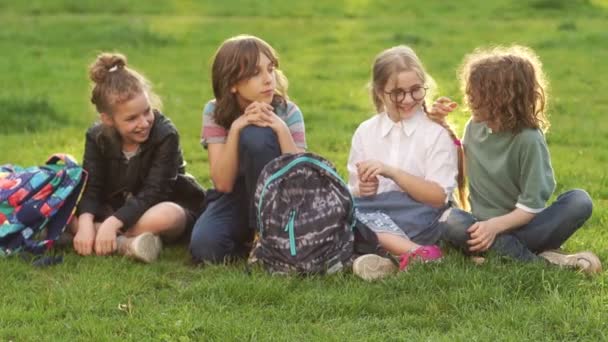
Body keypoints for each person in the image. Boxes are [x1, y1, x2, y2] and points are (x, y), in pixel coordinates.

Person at [439, 45, 601, 274]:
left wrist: (494, 227)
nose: (468, 95)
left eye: (477, 90)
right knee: (450, 219)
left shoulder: (529, 140)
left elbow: (531, 206)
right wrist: (442, 128)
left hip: (523, 225)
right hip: (479, 225)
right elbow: (462, 169)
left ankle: (495, 253)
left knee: (579, 201)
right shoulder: (474, 127)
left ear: (502, 98)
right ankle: (545, 262)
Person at [73, 52, 206, 263]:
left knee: (168, 215)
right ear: (107, 119)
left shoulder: (166, 135)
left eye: (146, 111)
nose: (144, 122)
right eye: (132, 118)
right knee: (70, 214)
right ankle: (128, 244)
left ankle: (109, 238)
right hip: (115, 207)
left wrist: (111, 223)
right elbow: (92, 187)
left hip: (158, 205)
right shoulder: (96, 137)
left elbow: (154, 192)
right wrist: (86, 222)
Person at [348, 45, 465, 280]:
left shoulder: (435, 133)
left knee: (353, 223)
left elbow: (438, 197)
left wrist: (391, 172)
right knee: (341, 211)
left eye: (415, 90)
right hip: (375, 210)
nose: (408, 99)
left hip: (420, 216)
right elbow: (355, 190)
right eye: (397, 93)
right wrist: (362, 188)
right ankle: (393, 260)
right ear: (380, 92)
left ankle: (417, 253)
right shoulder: (366, 131)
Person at [190, 35, 307, 264]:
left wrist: (281, 129)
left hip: (280, 199)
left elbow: (301, 179)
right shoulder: (214, 111)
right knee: (204, 247)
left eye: (270, 69)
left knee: (258, 135)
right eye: (255, 73)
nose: (268, 80)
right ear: (232, 83)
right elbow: (223, 184)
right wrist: (235, 129)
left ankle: (265, 236)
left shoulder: (288, 112)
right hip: (236, 196)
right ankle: (255, 245)